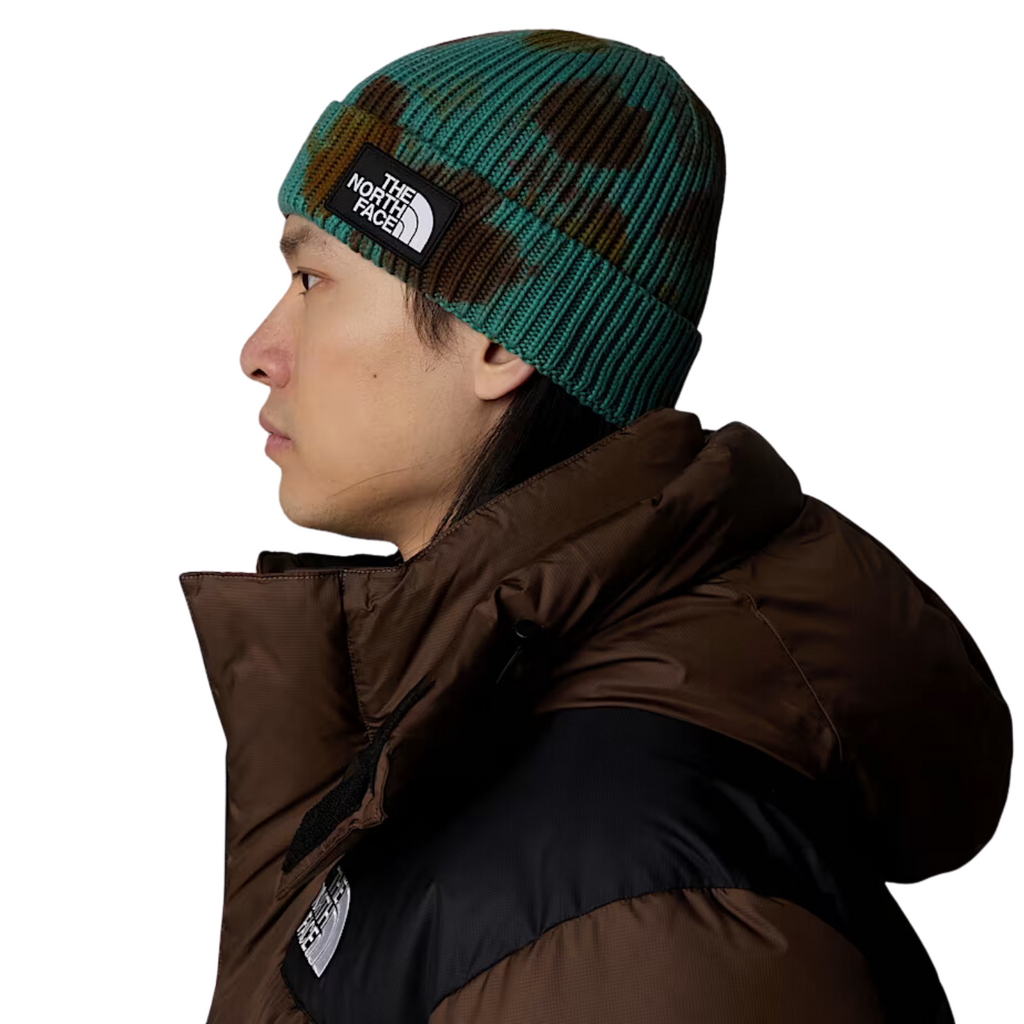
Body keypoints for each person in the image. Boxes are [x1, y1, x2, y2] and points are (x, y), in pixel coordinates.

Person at [179, 28, 1013, 1024]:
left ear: (496, 338)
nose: (259, 349)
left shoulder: (637, 906)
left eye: (314, 281)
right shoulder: (468, 730)